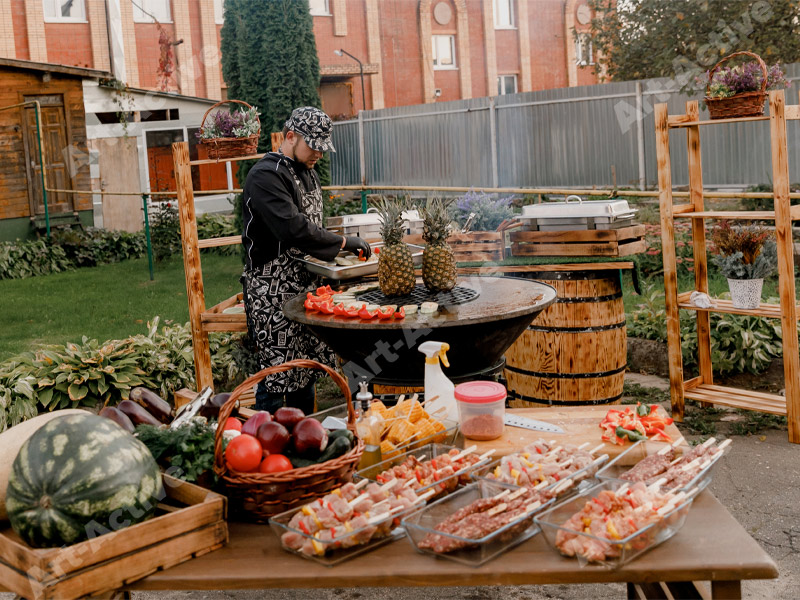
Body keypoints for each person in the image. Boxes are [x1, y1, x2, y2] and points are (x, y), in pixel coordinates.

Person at [241, 106, 371, 414]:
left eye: (323, 148)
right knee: (276, 373)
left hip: (306, 284)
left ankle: (304, 432)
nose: (319, 154)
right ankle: (268, 443)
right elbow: (294, 229)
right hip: (272, 289)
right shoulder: (264, 177)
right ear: (290, 137)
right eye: (314, 146)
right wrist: (342, 242)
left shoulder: (307, 172)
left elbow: (313, 225)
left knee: (305, 369)